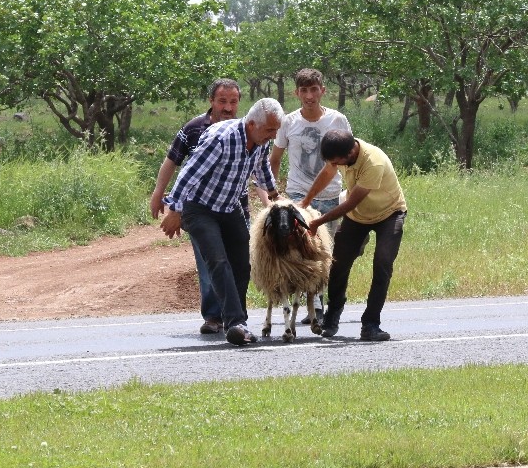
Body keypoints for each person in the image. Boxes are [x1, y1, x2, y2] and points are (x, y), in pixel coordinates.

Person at [166, 98, 284, 346]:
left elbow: (261, 168)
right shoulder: (221, 139)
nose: (273, 136)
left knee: (242, 263)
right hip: (199, 208)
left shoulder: (261, 141)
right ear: (252, 124)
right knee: (218, 261)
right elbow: (188, 173)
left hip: (229, 207)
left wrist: (275, 196)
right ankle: (236, 323)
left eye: (276, 130)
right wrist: (175, 209)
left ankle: (236, 322)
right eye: (270, 130)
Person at [150, 79, 242, 335]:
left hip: (234, 206)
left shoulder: (243, 129)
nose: (227, 107)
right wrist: (159, 195)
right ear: (211, 101)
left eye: (233, 102)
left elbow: (259, 168)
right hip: (200, 207)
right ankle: (213, 316)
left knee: (236, 261)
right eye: (222, 101)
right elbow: (173, 161)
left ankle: (236, 316)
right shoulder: (194, 129)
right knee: (209, 260)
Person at [301, 129, 407, 341]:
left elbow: (351, 202)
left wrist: (318, 222)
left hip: (389, 213)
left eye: (336, 161)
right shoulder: (341, 152)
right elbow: (328, 173)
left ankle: (370, 324)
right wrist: (306, 200)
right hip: (359, 216)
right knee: (338, 263)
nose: (334, 164)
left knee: (383, 263)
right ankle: (332, 316)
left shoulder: (373, 162)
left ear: (350, 154)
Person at [269, 68, 351, 323]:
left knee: (326, 251)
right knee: (299, 248)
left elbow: (348, 156)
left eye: (314, 89)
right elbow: (275, 158)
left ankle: (320, 300)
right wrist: (275, 194)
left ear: (322, 91)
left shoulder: (337, 120)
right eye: (303, 90)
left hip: (330, 194)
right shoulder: (289, 122)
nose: (309, 95)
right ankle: (309, 302)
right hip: (297, 195)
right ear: (297, 93)